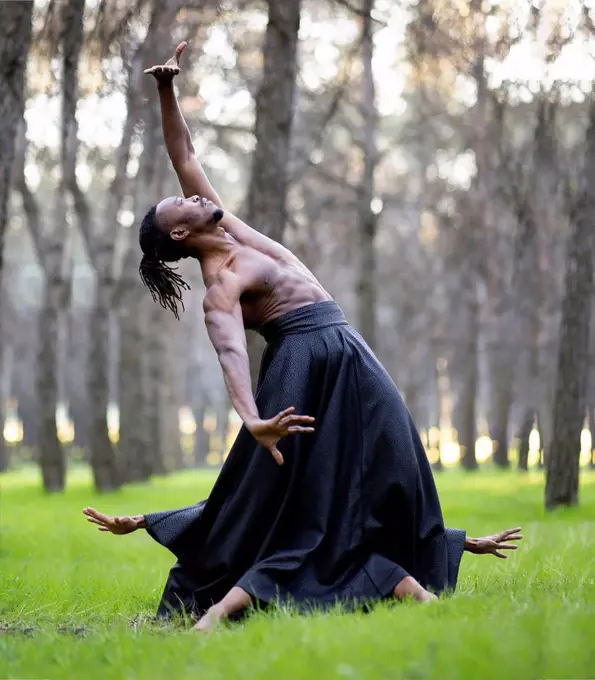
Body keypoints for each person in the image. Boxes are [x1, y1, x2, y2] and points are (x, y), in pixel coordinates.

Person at [83, 43, 522, 633]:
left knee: (394, 452)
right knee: (290, 490)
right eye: (181, 203)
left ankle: (431, 552)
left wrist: (166, 90)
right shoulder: (222, 283)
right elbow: (231, 350)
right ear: (182, 233)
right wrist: (251, 417)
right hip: (303, 360)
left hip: (343, 344)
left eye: (188, 192)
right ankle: (229, 601)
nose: (193, 194)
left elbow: (182, 151)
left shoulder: (227, 224)